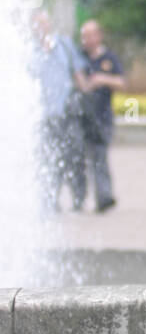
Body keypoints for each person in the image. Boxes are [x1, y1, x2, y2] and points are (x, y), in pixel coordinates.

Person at [30, 11, 87, 212]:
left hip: (67, 112)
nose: (40, 28)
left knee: (74, 157)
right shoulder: (29, 51)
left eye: (43, 23)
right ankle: (51, 201)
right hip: (43, 116)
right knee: (47, 160)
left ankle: (79, 199)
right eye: (36, 24)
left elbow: (78, 72)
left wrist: (86, 92)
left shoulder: (64, 45)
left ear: (50, 24)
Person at [78, 19, 125, 212]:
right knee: (77, 160)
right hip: (81, 117)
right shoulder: (79, 58)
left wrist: (102, 79)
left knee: (99, 157)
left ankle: (103, 198)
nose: (86, 40)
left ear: (98, 36)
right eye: (83, 36)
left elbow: (122, 83)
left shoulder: (109, 58)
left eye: (89, 35)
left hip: (102, 117)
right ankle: (78, 199)